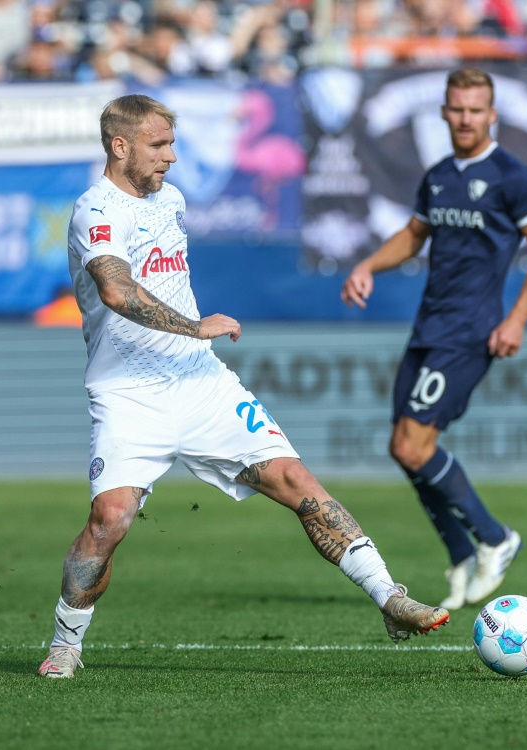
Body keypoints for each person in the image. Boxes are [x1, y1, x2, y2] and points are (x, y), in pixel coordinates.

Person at [38, 94, 449, 679]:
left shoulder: (171, 199)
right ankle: (66, 643)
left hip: (201, 381)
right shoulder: (94, 211)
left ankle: (391, 599)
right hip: (129, 391)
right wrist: (193, 325)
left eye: (173, 144)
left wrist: (192, 340)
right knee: (111, 518)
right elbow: (115, 290)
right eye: (160, 145)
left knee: (296, 480)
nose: (173, 158)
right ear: (119, 146)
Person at [341, 68, 527, 610]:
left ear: (492, 115)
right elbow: (415, 236)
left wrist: (516, 320)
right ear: (443, 112)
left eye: (475, 110)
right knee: (404, 447)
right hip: (428, 327)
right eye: (456, 109)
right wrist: (370, 263)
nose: (465, 119)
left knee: (413, 444)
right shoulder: (439, 174)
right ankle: (461, 551)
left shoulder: (512, 177)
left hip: (470, 331)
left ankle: (495, 537)